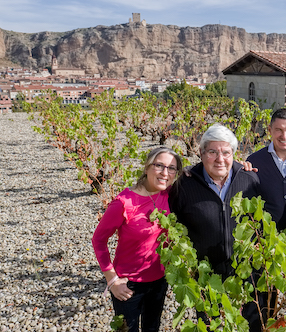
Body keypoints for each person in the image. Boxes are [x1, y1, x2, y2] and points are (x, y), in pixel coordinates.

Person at [168, 123, 263, 331]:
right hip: (206, 273)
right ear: (201, 153)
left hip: (246, 271)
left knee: (253, 323)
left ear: (234, 154)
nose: (220, 159)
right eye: (213, 152)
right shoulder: (184, 184)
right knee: (210, 324)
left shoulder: (249, 179)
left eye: (226, 152)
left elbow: (260, 224)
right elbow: (173, 227)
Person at [92, 147, 183, 332]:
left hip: (159, 279)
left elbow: (203, 175)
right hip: (128, 285)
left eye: (171, 168)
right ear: (147, 167)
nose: (165, 173)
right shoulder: (124, 203)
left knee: (152, 327)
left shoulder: (169, 193)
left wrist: (241, 168)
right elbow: (98, 240)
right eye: (159, 166)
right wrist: (112, 280)